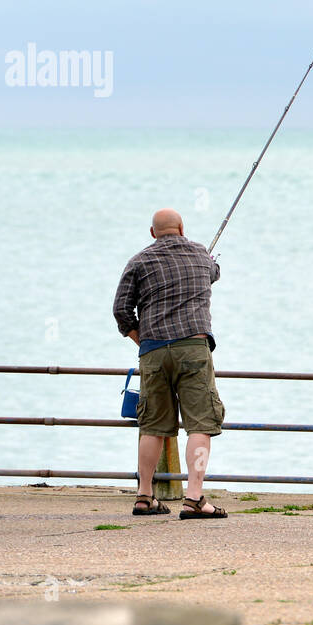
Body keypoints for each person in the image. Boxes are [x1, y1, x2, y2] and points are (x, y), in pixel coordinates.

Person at [112, 208, 228, 519]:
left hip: (153, 351)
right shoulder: (201, 255)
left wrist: (144, 341)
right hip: (193, 347)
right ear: (182, 228)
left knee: (152, 425)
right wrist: (209, 259)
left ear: (152, 233)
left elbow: (121, 310)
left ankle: (144, 495)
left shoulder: (138, 262)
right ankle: (193, 497)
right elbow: (214, 273)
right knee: (201, 424)